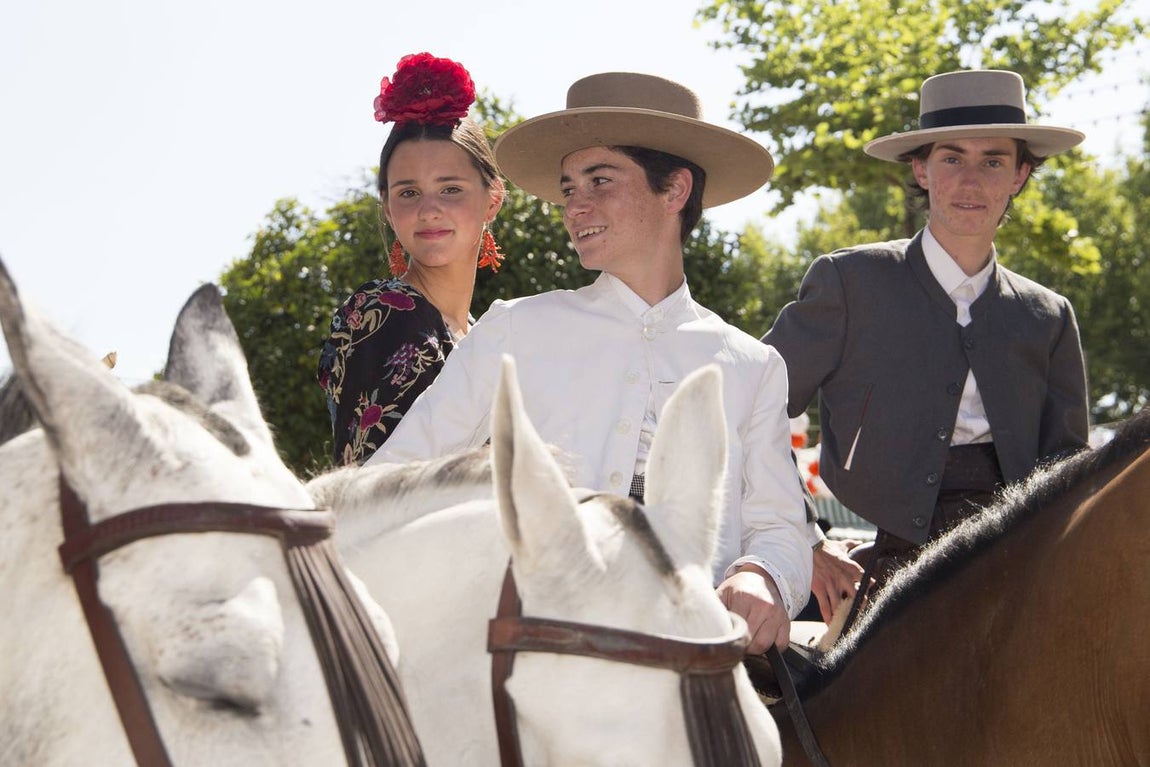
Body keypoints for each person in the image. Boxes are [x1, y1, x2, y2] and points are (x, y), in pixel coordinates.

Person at [367, 71, 812, 653]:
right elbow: (393, 480)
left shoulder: (753, 365)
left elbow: (779, 528)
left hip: (695, 666)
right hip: (533, 666)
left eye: (599, 180)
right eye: (568, 188)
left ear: (675, 190)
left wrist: (762, 575)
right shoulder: (514, 329)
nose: (574, 207)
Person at [764, 69, 1090, 596]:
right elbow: (750, 410)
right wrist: (807, 540)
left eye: (993, 161)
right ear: (921, 169)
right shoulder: (848, 282)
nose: (971, 181)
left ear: (1020, 175)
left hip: (1021, 572)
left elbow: (1067, 472)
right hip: (879, 567)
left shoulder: (1048, 316)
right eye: (952, 159)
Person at [317, 52, 506, 466]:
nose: (429, 210)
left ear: (493, 199)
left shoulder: (480, 334)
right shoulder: (387, 312)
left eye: (450, 189)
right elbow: (373, 484)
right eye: (408, 192)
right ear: (388, 207)